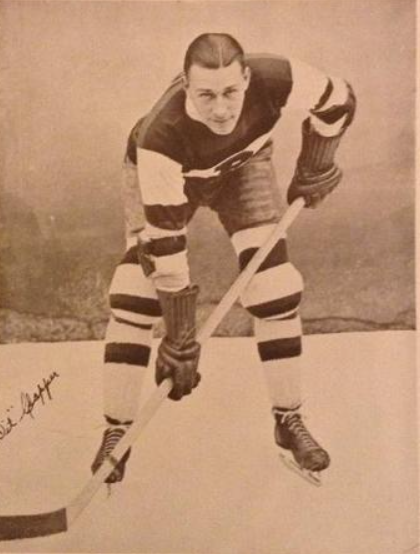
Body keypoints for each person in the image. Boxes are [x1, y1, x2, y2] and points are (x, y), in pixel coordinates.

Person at [91, 33, 356, 485]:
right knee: (136, 296)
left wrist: (316, 161)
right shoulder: (160, 137)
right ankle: (117, 430)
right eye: (205, 95)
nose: (220, 109)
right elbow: (169, 249)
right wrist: (179, 339)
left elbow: (339, 101)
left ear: (248, 78)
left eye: (231, 92)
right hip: (170, 178)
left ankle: (288, 419)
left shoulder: (279, 77)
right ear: (186, 86)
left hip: (242, 168)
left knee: (275, 289)